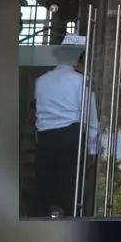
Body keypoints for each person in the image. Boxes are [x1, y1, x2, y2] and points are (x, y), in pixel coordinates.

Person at [32, 50, 99, 217]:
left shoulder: (40, 81)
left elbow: (37, 110)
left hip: (45, 138)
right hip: (71, 136)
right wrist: (92, 149)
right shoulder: (81, 80)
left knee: (43, 189)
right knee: (71, 191)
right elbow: (90, 116)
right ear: (78, 61)